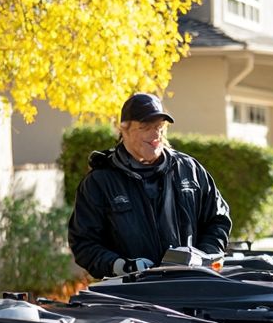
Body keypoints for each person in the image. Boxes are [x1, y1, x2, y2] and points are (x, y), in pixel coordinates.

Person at [68, 92, 231, 277]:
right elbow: (84, 242)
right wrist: (122, 266)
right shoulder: (99, 182)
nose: (155, 134)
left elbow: (218, 219)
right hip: (133, 296)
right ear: (124, 130)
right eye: (145, 127)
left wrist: (205, 256)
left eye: (159, 126)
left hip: (191, 285)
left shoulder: (189, 170)